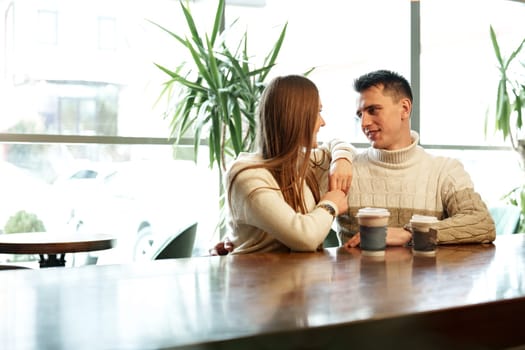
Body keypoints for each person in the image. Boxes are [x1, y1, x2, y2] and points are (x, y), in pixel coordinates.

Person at [340, 69, 496, 248]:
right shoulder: (344, 171)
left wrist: (409, 233)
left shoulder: (445, 170)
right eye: (360, 115)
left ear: (404, 109)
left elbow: (482, 223)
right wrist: (339, 152)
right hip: (359, 276)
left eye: (373, 110)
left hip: (427, 276)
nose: (364, 123)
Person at [211, 74, 355, 255]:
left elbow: (338, 144)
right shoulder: (247, 175)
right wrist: (331, 204)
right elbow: (305, 238)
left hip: (295, 278)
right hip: (257, 280)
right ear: (296, 117)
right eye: (317, 112)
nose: (322, 122)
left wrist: (342, 160)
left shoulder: (299, 162)